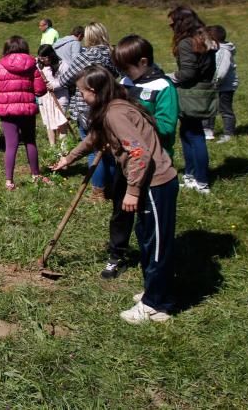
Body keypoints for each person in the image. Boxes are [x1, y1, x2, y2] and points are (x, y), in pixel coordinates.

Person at [51, 65, 179, 324]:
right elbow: (95, 139)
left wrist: (131, 191)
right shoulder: (114, 106)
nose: (80, 96)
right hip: (148, 183)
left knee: (156, 245)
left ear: (95, 91)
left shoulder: (115, 114)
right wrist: (69, 158)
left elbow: (139, 153)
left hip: (155, 184)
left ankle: (156, 305)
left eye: (82, 92)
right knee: (146, 239)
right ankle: (156, 293)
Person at [107, 35, 179, 280]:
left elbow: (168, 126)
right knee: (120, 209)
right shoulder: (125, 81)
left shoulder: (164, 87)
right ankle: (117, 254)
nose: (124, 73)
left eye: (126, 67)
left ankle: (151, 259)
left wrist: (134, 120)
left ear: (144, 61)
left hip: (151, 165)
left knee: (147, 216)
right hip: (125, 162)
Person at [55, 22, 118, 199]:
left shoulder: (86, 56)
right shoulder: (111, 55)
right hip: (108, 105)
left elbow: (67, 78)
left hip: (86, 106)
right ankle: (113, 187)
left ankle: (98, 190)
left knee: (92, 147)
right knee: (108, 147)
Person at [0, 36, 48, 191]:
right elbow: (40, 90)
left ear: (6, 49)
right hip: (27, 110)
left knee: (11, 145)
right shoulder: (32, 66)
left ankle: (9, 181)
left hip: (8, 111)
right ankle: (35, 175)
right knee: (30, 141)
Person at [168, 6, 218, 194]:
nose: (171, 27)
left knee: (195, 136)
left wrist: (169, 77)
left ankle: (201, 180)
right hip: (203, 92)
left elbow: (188, 73)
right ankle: (191, 175)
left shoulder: (186, 43)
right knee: (188, 133)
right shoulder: (205, 39)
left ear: (181, 23)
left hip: (191, 94)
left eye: (173, 23)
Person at [206, 25, 238, 143]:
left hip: (224, 86)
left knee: (225, 109)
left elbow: (221, 71)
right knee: (209, 108)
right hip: (214, 85)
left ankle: (228, 134)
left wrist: (214, 82)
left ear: (213, 39)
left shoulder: (223, 51)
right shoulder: (214, 49)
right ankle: (208, 131)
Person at [36, 45, 70, 148]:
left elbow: (67, 79)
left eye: (44, 58)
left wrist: (54, 85)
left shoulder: (62, 64)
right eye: (40, 58)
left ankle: (64, 151)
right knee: (49, 124)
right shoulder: (39, 65)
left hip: (59, 98)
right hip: (46, 99)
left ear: (50, 55)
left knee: (61, 124)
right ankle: (53, 149)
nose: (43, 60)